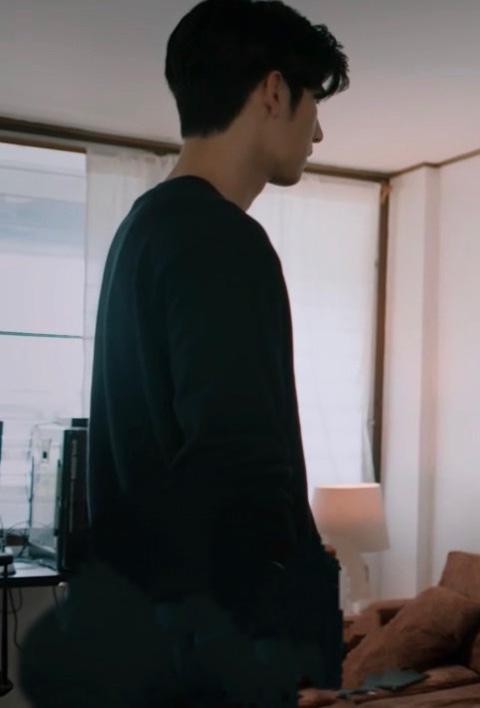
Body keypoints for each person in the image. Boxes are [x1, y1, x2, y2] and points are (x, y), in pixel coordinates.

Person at [20, 1, 350, 705]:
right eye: (314, 103)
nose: (318, 132)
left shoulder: (143, 231)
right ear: (273, 91)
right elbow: (238, 457)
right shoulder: (221, 238)